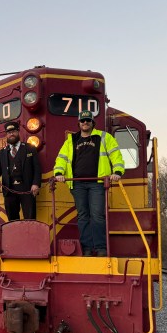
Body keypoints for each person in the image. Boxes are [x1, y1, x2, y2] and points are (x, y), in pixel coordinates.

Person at [54, 110, 125, 257]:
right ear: (79, 123)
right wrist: (59, 173)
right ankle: (86, 248)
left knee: (98, 216)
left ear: (93, 122)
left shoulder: (105, 137)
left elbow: (116, 156)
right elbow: (61, 158)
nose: (85, 122)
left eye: (87, 120)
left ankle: (100, 248)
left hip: (97, 183)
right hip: (77, 184)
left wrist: (117, 172)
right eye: (82, 120)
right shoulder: (71, 140)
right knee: (83, 216)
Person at [0, 122, 42, 220]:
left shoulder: (30, 148)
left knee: (30, 219)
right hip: (9, 190)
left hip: (27, 189)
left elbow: (37, 168)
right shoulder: (2, 152)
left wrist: (36, 184)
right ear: (6, 134)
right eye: (9, 132)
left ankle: (30, 235)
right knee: (12, 220)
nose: (11, 134)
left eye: (13, 131)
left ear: (18, 131)